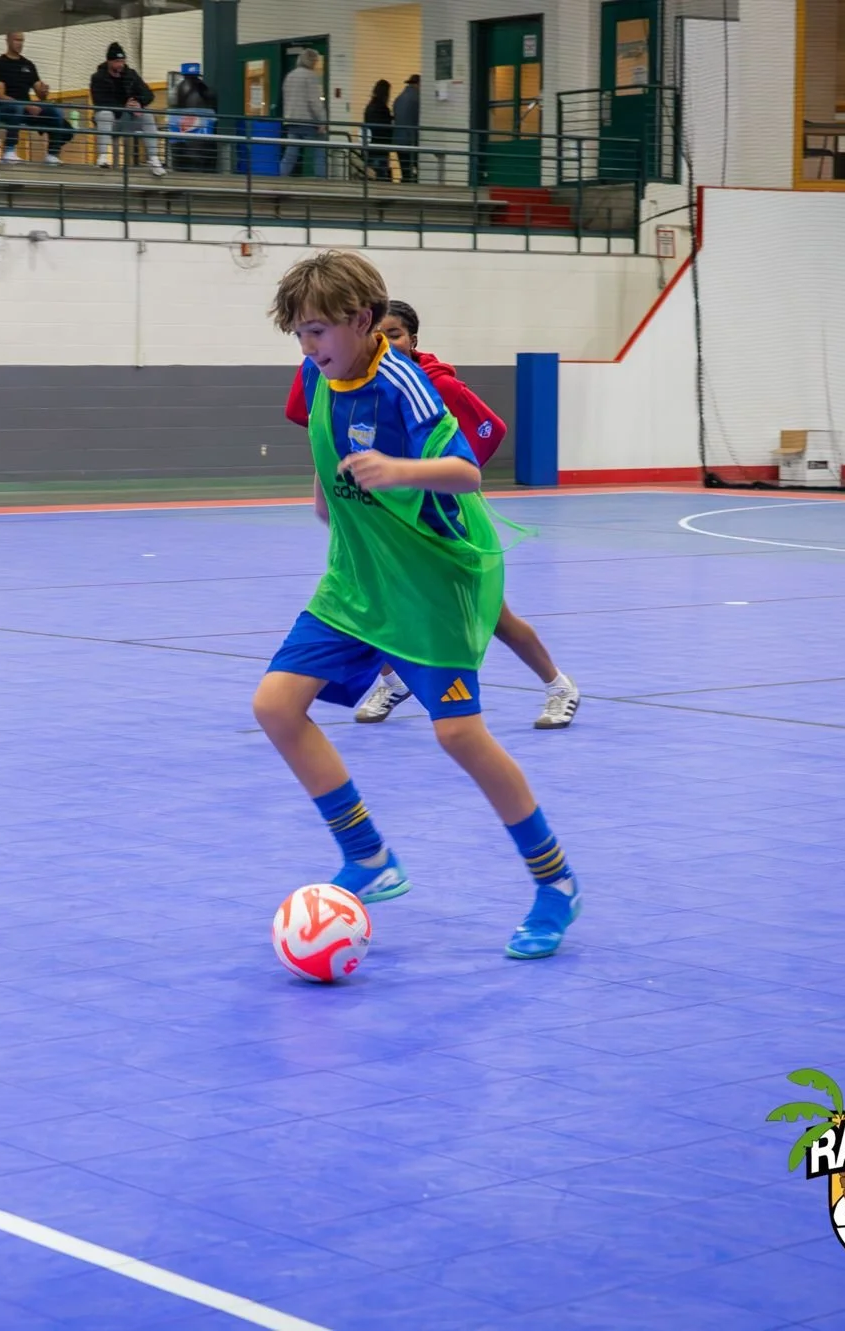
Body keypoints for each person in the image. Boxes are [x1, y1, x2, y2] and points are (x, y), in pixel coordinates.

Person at [256, 251, 581, 960]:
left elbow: (464, 469)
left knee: (459, 736)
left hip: (433, 582)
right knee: (277, 706)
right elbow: (323, 433)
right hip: (356, 577)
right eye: (301, 335)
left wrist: (399, 470)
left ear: (364, 319)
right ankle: (369, 855)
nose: (309, 349)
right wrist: (324, 494)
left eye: (318, 332)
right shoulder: (319, 373)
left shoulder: (405, 383)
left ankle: (555, 883)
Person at [291, 299, 581, 728]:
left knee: (495, 617)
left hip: (437, 523)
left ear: (413, 340)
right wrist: (331, 496)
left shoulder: (429, 386)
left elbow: (486, 434)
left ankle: (558, 685)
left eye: (396, 335)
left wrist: (431, 476)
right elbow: (330, 439)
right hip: (381, 521)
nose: (386, 341)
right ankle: (393, 682)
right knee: (379, 606)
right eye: (381, 333)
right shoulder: (337, 378)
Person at [0, 31, 70, 165]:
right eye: (17, 40)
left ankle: (52, 153)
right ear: (8, 41)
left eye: (22, 41)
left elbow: (39, 93)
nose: (20, 44)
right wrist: (26, 106)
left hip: (26, 107)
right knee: (17, 108)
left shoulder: (28, 65)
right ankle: (9, 151)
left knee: (56, 111)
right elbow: (0, 95)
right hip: (5, 108)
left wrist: (43, 91)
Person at [88, 40, 165, 176]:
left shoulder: (130, 74)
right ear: (109, 62)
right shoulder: (98, 77)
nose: (120, 65)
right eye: (117, 62)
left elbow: (148, 94)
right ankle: (103, 157)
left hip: (126, 118)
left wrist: (138, 102)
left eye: (122, 61)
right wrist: (124, 106)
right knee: (105, 114)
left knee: (147, 115)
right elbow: (99, 101)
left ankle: (154, 159)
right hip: (110, 121)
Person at [279, 49, 327, 178]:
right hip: (307, 121)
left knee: (291, 153)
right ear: (312, 61)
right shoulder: (310, 76)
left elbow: (286, 98)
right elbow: (314, 101)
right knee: (320, 149)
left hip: (291, 120)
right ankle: (321, 181)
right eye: (316, 61)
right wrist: (323, 121)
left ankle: (280, 178)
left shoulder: (290, 76)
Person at [392, 73, 421, 182]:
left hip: (398, 140)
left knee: (405, 171)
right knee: (418, 170)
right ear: (418, 84)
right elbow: (416, 121)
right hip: (410, 140)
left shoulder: (398, 98)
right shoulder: (417, 99)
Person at [362, 78, 393, 180]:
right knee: (381, 176)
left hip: (370, 146)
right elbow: (386, 128)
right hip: (381, 148)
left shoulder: (369, 107)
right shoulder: (383, 109)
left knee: (372, 175)